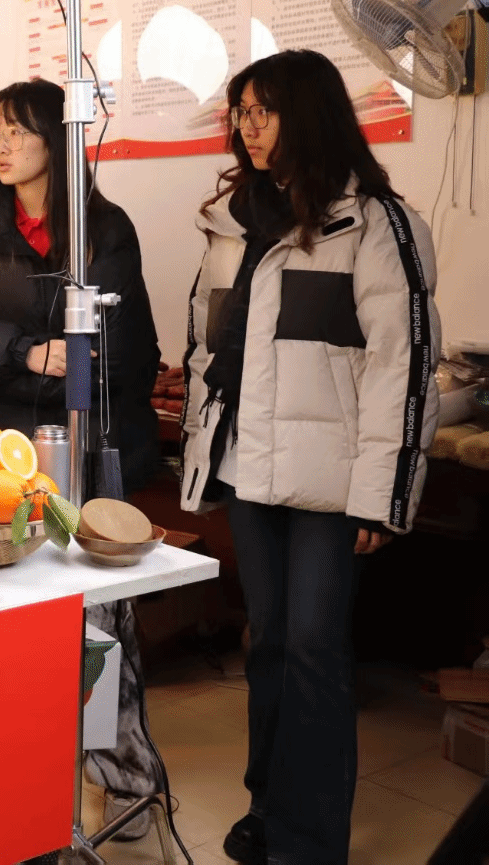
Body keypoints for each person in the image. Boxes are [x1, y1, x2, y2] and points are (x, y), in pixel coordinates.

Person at [180, 49, 440, 865]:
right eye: (242, 113)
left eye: (265, 111)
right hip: (250, 470)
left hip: (331, 481)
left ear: (311, 113)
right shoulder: (234, 223)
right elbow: (207, 348)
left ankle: (310, 840)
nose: (249, 128)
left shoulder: (375, 223)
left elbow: (403, 366)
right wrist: (202, 452)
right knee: (267, 643)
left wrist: (383, 495)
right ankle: (268, 805)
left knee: (314, 650)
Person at [0, 78, 164, 841]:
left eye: (17, 130)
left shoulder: (103, 229)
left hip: (91, 450)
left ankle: (116, 778)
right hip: (2, 462)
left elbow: (122, 352)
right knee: (11, 618)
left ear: (57, 136)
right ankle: (15, 778)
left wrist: (32, 359)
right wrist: (26, 351)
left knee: (100, 625)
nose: (2, 145)